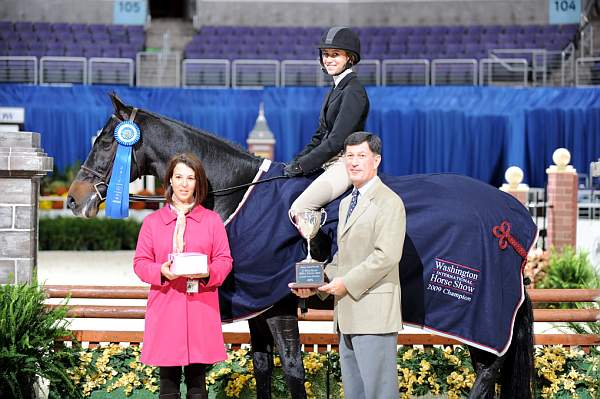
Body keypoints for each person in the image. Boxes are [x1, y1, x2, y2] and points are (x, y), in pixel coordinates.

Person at [290, 132, 405, 399]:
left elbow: (386, 255)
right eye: (349, 156)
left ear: (376, 160)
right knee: (355, 393)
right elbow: (343, 258)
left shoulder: (390, 202)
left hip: (374, 315)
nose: (353, 162)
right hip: (347, 315)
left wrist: (345, 284)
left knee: (379, 394)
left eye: (361, 156)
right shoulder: (345, 204)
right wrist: (317, 283)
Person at [133, 153, 233, 399]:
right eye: (179, 177)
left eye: (190, 178)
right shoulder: (152, 223)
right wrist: (160, 271)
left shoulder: (212, 221)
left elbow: (225, 260)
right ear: (170, 181)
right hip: (166, 306)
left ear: (198, 183)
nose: (184, 183)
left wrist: (209, 271)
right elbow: (140, 263)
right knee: (168, 387)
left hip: (201, 307)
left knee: (198, 387)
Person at [285, 26, 370, 216]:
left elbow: (337, 140)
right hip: (329, 162)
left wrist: (303, 165)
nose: (329, 59)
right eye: (326, 54)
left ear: (349, 58)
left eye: (335, 54)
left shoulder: (353, 90)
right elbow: (320, 136)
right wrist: (297, 160)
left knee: (300, 208)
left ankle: (315, 247)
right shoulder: (336, 89)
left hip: (345, 163)